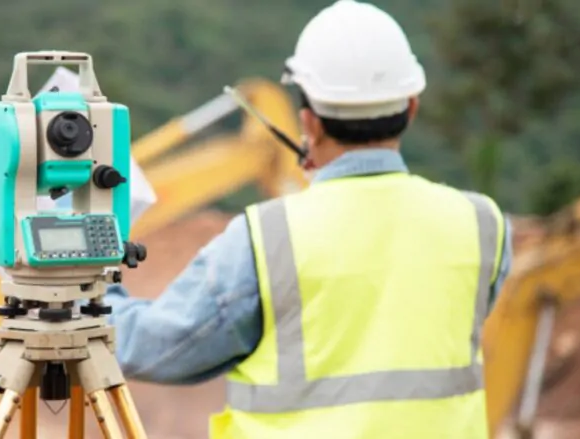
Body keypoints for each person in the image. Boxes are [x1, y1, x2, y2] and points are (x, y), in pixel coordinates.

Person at [103, 1, 513, 438]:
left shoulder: (266, 238)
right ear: (411, 107)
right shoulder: (482, 225)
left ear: (309, 122)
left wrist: (86, 291)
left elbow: (158, 348)